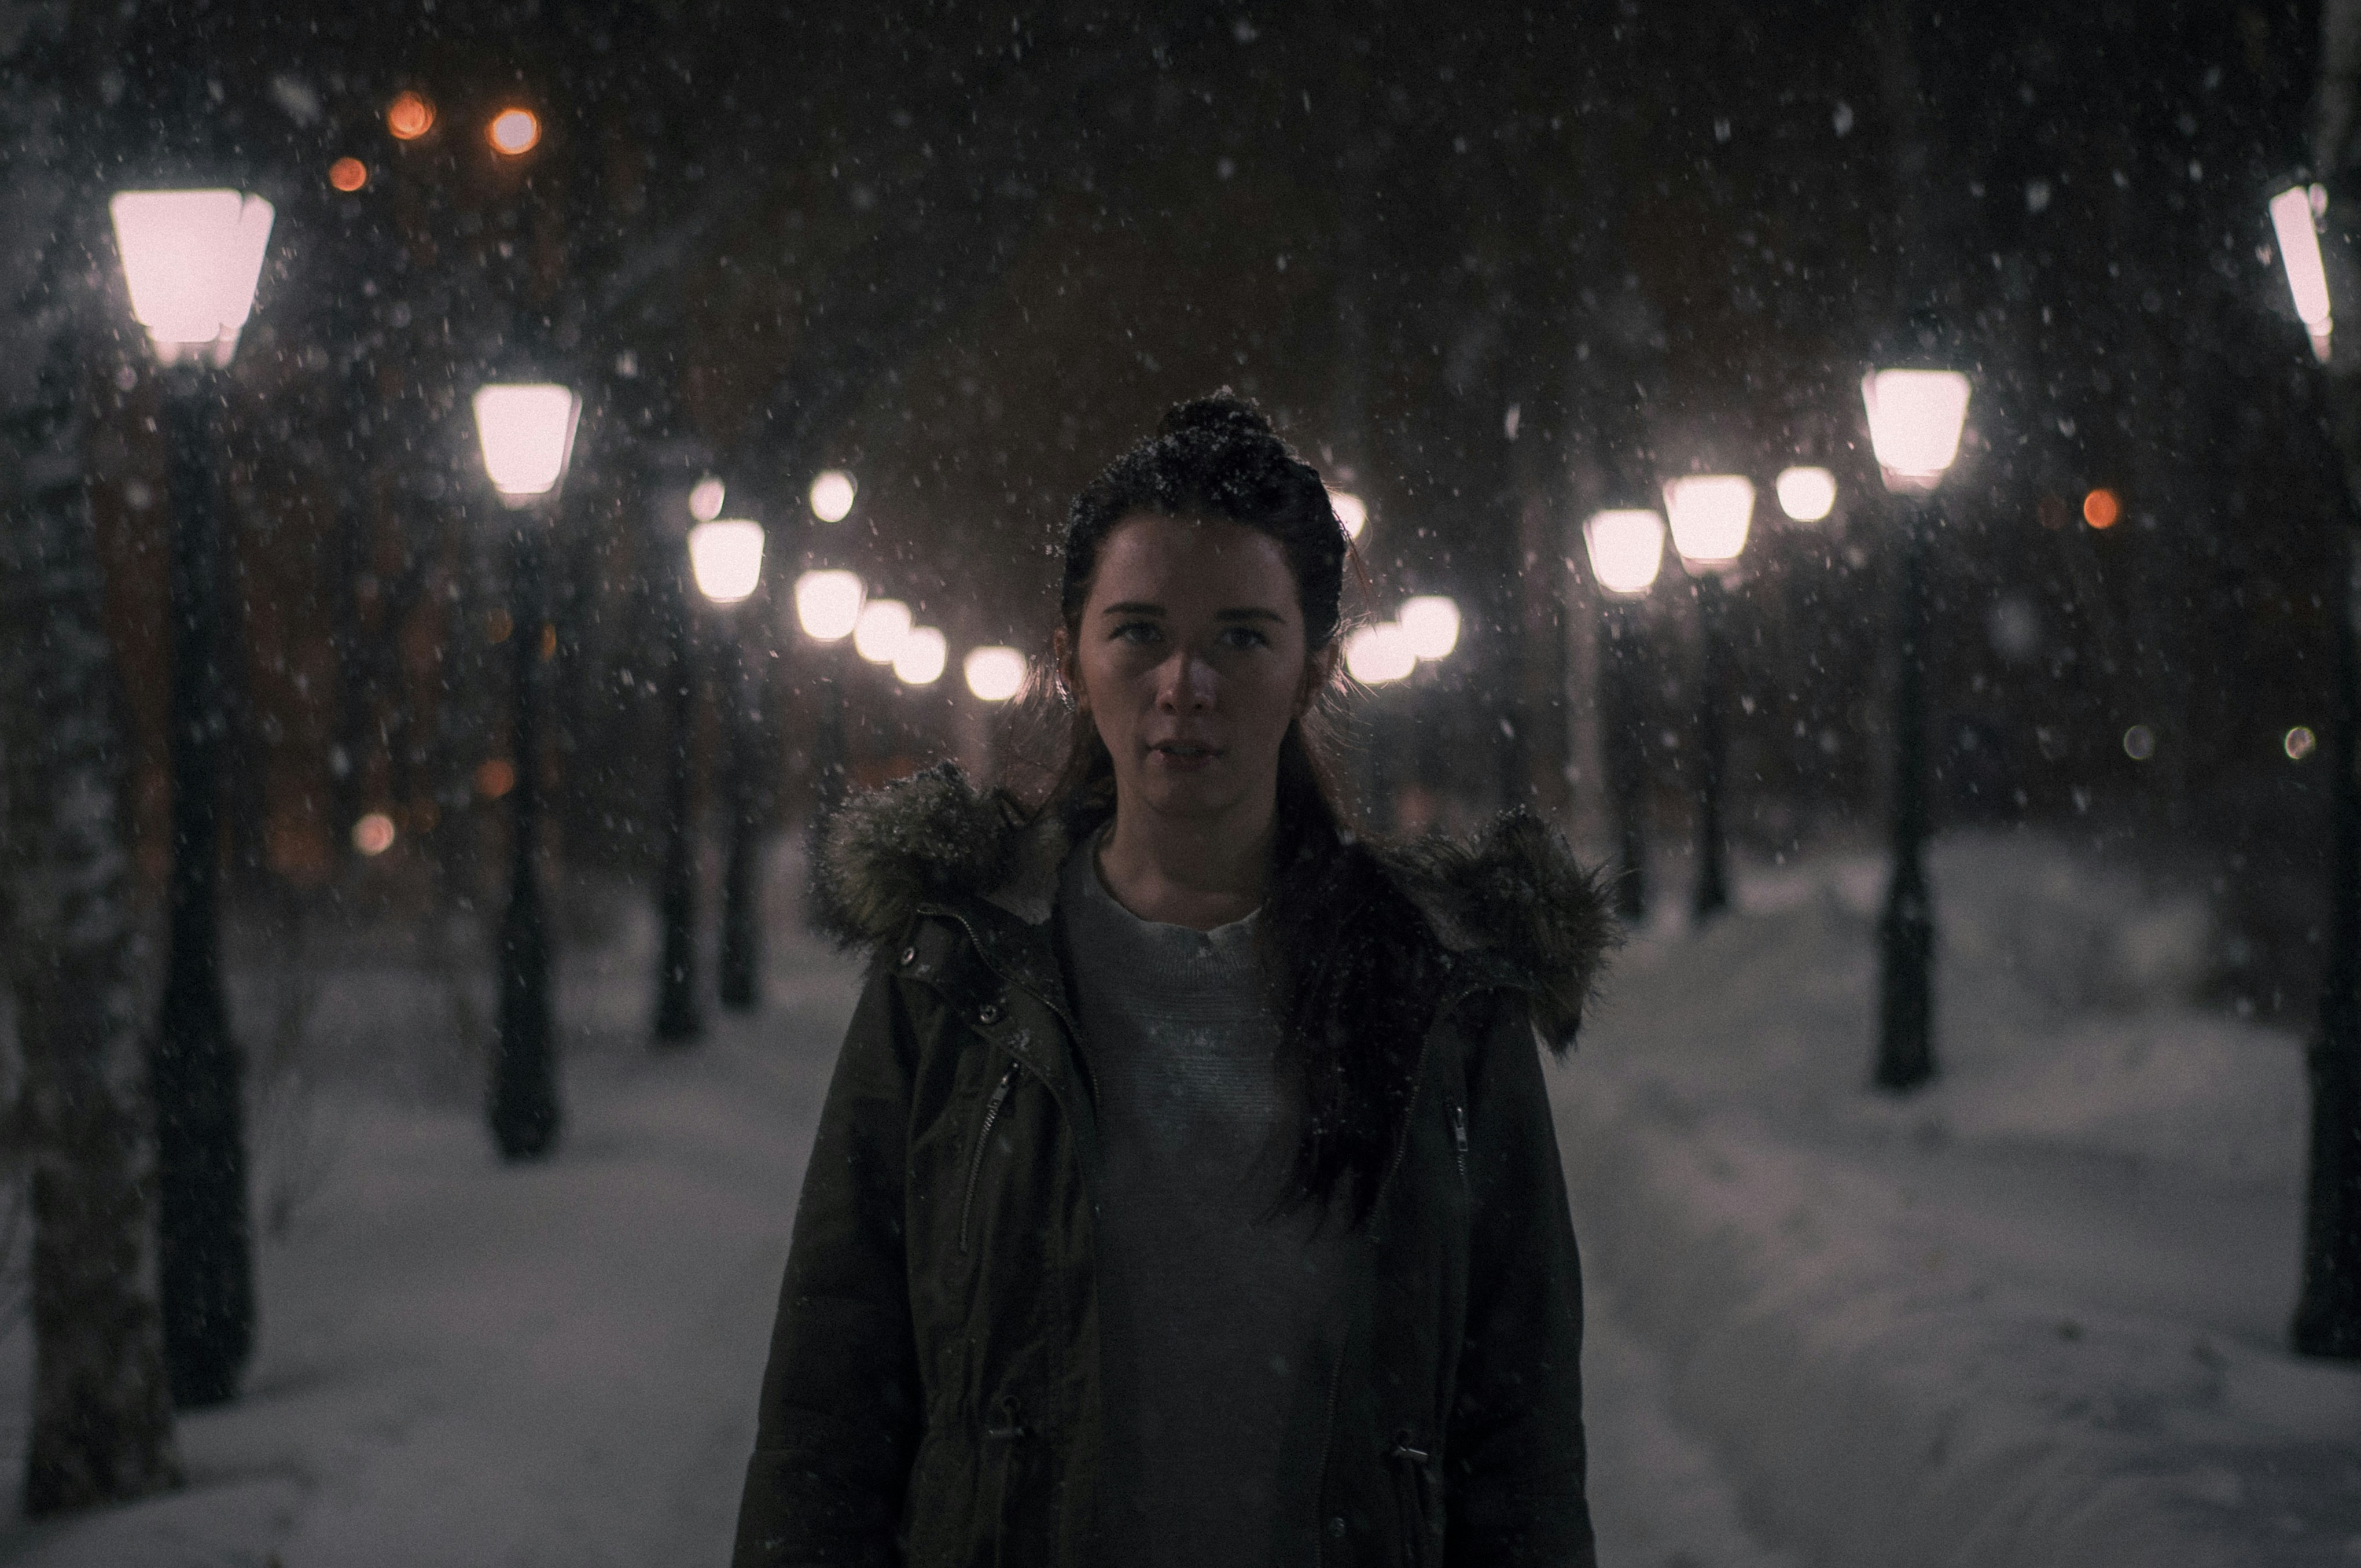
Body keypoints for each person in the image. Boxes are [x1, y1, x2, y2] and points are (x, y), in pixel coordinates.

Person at [732, 392, 1612, 1567]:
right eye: (1138, 630)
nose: (1184, 682)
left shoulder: (1439, 994)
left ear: (1312, 666)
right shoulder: (961, 973)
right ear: (1073, 653)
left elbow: (1519, 1439)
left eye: (1242, 635)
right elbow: (831, 1408)